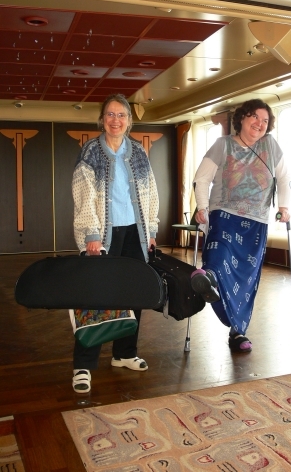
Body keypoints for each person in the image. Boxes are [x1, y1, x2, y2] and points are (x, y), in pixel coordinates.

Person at [71, 93, 159, 393]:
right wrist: (91, 234)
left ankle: (124, 353)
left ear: (129, 121)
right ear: (102, 119)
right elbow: (83, 196)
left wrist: (151, 229)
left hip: (135, 233)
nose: (115, 120)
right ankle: (83, 365)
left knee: (134, 293)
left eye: (121, 115)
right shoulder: (91, 152)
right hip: (103, 237)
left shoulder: (138, 152)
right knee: (96, 296)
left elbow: (151, 193)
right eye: (110, 114)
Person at [191, 99, 291, 353]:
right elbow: (201, 179)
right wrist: (202, 207)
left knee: (247, 279)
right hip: (224, 214)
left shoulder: (270, 145)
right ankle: (208, 279)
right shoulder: (222, 145)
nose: (260, 123)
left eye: (265, 120)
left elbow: (284, 177)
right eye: (255, 117)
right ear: (242, 118)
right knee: (219, 255)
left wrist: (284, 206)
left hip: (256, 222)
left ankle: (238, 331)